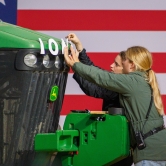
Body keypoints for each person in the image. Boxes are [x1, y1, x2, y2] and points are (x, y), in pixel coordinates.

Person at [64, 45, 166, 166]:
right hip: (159, 149)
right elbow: (100, 73)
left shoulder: (132, 81)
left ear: (132, 65)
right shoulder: (144, 80)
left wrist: (76, 64)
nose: (117, 64)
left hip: (149, 155)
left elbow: (101, 77)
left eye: (123, 62)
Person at [66, 33, 133, 166]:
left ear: (126, 68)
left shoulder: (120, 88)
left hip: (117, 148)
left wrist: (74, 66)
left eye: (116, 64)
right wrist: (79, 47)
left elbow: (93, 88)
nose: (111, 66)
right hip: (118, 145)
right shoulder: (122, 82)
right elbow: (93, 70)